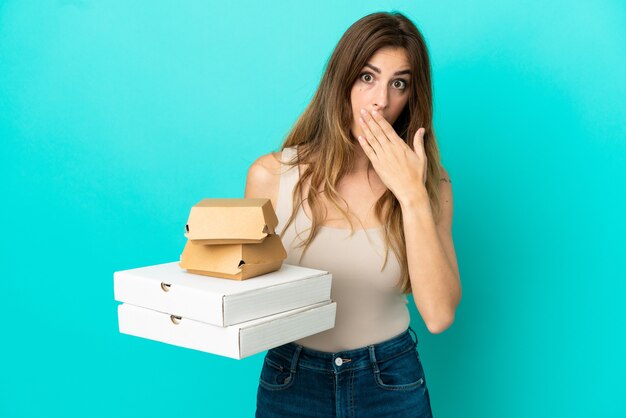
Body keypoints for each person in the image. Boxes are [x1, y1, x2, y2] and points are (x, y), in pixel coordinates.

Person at [245, 11, 461, 418]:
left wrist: (412, 195)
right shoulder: (270, 176)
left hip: (390, 381)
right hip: (291, 378)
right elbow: (246, 295)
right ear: (340, 80)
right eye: (367, 76)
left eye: (399, 83)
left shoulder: (431, 184)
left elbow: (439, 315)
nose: (381, 100)